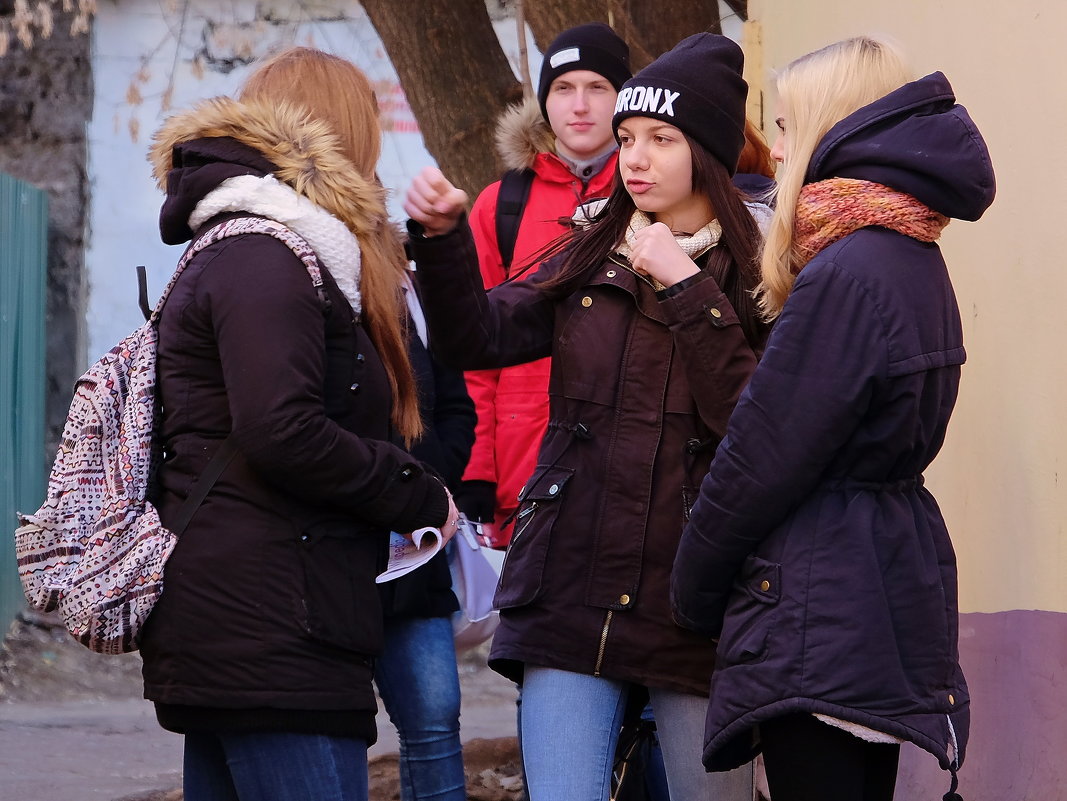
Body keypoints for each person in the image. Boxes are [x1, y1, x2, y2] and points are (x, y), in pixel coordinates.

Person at [404, 33, 768, 801]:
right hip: (570, 585)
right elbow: (479, 335)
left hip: (692, 599)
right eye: (629, 137)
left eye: (660, 139)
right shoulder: (592, 250)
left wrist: (684, 287)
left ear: (704, 148)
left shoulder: (760, 272)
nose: (634, 156)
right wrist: (439, 245)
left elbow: (754, 425)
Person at [670, 36, 996, 801]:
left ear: (830, 127)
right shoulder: (907, 252)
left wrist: (692, 585)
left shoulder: (848, 271)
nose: (777, 153)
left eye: (786, 127)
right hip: (875, 579)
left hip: (819, 597)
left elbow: (761, 454)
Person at [139, 47, 460, 801]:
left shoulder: (269, 245)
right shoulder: (265, 251)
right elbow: (280, 429)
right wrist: (416, 494)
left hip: (263, 613)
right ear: (342, 135)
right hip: (271, 626)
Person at [458, 21, 631, 549]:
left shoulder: (652, 192)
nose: (579, 106)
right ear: (545, 100)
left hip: (627, 462)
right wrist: (478, 469)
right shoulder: (499, 205)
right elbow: (473, 346)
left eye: (598, 87)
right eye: (563, 88)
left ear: (625, 97)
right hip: (523, 464)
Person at [375, 270, 476, 801]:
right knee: (326, 730)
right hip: (328, 549)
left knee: (436, 719)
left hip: (417, 550)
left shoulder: (410, 293)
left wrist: (430, 484)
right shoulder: (298, 283)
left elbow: (458, 407)